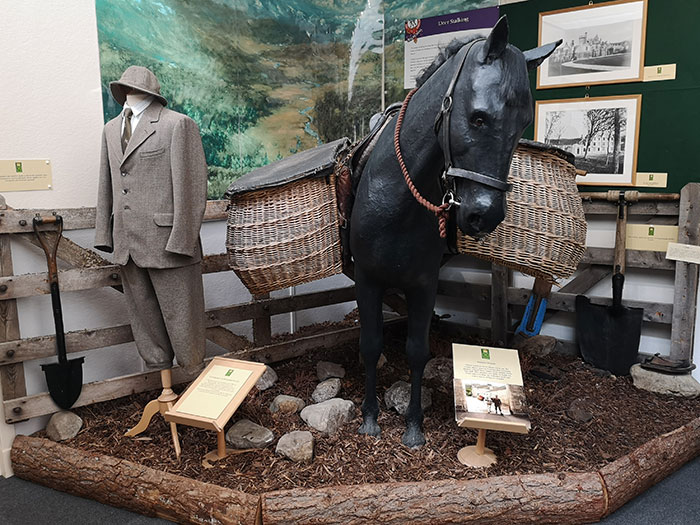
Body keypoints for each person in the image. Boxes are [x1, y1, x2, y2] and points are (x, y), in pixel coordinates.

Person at [94, 65, 208, 375]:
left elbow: (193, 186)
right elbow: (108, 182)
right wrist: (105, 233)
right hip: (128, 244)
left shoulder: (177, 125)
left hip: (170, 245)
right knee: (146, 330)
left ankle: (194, 393)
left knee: (185, 326)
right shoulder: (109, 130)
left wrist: (183, 239)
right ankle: (164, 389)